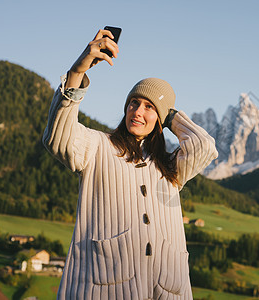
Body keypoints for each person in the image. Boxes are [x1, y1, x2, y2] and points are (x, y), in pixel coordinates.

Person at [43, 29, 218, 300]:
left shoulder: (170, 169)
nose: (137, 112)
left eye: (148, 107)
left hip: (167, 290)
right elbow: (57, 138)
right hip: (103, 288)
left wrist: (168, 114)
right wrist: (78, 71)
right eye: (134, 103)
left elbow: (204, 147)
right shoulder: (98, 146)